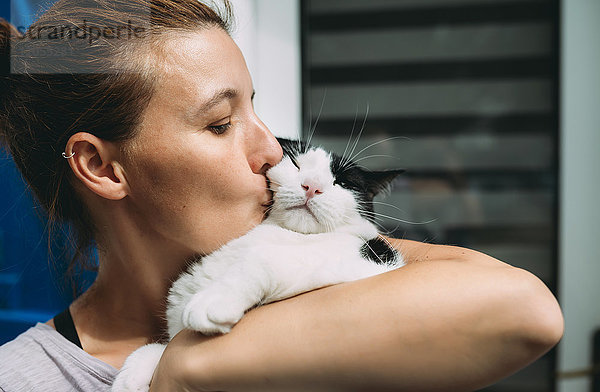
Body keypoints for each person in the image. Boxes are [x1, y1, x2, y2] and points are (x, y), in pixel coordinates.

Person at [0, 1, 563, 391]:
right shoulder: (23, 379)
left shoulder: (318, 260)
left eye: (254, 106)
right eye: (221, 123)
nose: (272, 149)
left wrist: (190, 365)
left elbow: (526, 311)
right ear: (101, 167)